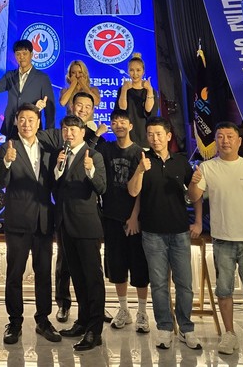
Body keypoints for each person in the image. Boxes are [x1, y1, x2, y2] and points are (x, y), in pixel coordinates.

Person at [187, 122, 243, 358]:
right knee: (224, 290)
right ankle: (229, 333)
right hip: (222, 240)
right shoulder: (207, 167)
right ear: (215, 141)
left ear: (239, 141)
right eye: (220, 137)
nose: (225, 141)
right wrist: (194, 181)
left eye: (229, 136)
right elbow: (194, 197)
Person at [132, 117, 202, 350]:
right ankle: (164, 327)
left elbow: (194, 196)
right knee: (159, 284)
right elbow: (133, 192)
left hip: (180, 232)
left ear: (169, 136)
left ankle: (186, 328)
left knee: (185, 284)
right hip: (152, 233)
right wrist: (140, 171)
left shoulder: (181, 162)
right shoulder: (142, 159)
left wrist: (198, 220)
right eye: (150, 134)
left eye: (159, 134)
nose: (155, 139)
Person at [0, 103, 61, 345]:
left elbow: (53, 182)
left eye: (31, 119)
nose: (26, 124)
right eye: (22, 119)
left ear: (38, 122)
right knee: (15, 273)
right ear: (16, 121)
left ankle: (43, 320)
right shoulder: (8, 147)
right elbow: (1, 182)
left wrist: (60, 167)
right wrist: (7, 162)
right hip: (18, 220)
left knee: (44, 273)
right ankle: (14, 322)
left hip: (43, 220)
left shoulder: (48, 149)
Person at [52, 115, 107, 351]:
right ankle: (83, 322)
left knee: (92, 279)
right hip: (65, 225)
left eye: (74, 129)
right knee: (77, 277)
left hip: (86, 226)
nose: (69, 133)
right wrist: (57, 169)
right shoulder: (61, 155)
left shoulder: (93, 155)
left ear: (83, 132)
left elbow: (102, 187)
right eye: (65, 129)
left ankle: (95, 330)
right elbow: (56, 190)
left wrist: (90, 170)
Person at [98, 108, 151, 333]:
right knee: (117, 267)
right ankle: (123, 310)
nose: (118, 125)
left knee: (139, 268)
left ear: (130, 126)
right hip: (111, 217)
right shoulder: (107, 149)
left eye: (123, 121)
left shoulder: (139, 152)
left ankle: (142, 312)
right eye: (115, 121)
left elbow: (141, 191)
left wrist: (134, 217)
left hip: (134, 220)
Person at [0, 39, 54, 138]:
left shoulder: (42, 78)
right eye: (18, 54)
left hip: (31, 127)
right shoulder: (10, 75)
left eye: (24, 54)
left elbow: (50, 109)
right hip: (12, 126)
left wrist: (49, 134)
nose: (21, 57)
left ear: (31, 54)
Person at [117, 54, 158, 148]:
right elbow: (122, 109)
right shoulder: (123, 89)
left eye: (138, 70)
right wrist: (124, 90)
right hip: (127, 136)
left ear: (143, 71)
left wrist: (149, 90)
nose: (135, 74)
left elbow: (148, 110)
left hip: (144, 135)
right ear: (128, 71)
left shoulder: (150, 90)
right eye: (131, 70)